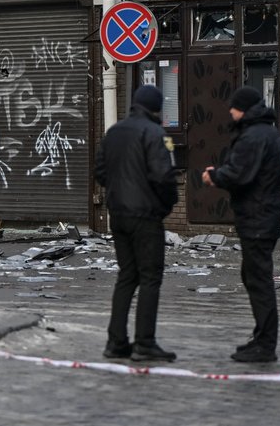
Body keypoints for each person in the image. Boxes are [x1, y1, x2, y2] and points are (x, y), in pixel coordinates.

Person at [94, 85, 179, 362]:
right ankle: (145, 342)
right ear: (156, 108)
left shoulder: (114, 132)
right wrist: (165, 205)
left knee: (127, 276)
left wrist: (118, 191)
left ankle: (116, 341)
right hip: (146, 215)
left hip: (118, 214)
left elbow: (101, 171)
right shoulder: (156, 134)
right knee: (150, 277)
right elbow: (164, 176)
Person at [202, 85, 280, 363]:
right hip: (264, 215)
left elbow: (240, 173)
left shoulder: (253, 136)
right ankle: (262, 337)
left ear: (244, 109)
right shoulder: (269, 132)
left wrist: (215, 175)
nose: (230, 112)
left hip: (258, 217)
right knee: (252, 277)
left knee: (258, 279)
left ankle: (265, 344)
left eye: (234, 107)